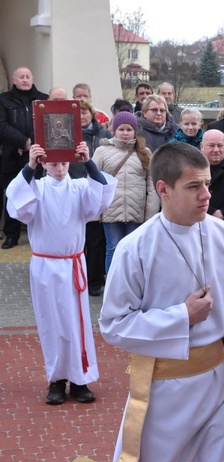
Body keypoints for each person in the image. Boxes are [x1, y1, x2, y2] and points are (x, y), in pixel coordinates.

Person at [99, 142, 224, 462]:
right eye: (194, 187)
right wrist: (181, 316)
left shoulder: (223, 235)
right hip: (164, 393)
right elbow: (114, 324)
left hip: (216, 385)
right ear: (163, 189)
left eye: (207, 184)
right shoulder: (135, 248)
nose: (206, 195)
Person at [6, 141, 116, 404]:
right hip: (45, 266)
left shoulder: (79, 188)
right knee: (51, 323)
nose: (59, 169)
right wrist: (30, 165)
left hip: (73, 263)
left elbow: (100, 196)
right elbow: (18, 204)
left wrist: (88, 161)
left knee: (76, 324)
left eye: (64, 163)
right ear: (45, 164)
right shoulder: (38, 188)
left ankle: (79, 379)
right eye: (53, 164)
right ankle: (56, 379)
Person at [93, 111, 159, 272]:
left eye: (129, 130)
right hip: (111, 210)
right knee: (113, 249)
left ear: (135, 131)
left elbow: (151, 184)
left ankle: (131, 288)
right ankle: (112, 288)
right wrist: (96, 211)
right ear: (114, 130)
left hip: (136, 210)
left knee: (133, 252)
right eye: (121, 129)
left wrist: (150, 213)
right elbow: (94, 182)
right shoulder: (102, 151)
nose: (125, 133)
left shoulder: (144, 153)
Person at [0, 67, 48, 249]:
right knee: (13, 193)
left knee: (37, 193)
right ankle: (11, 235)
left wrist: (31, 144)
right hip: (12, 156)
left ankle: (37, 233)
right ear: (14, 80)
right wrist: (22, 142)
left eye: (28, 76)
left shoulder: (43, 99)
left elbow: (47, 125)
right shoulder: (3, 100)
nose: (25, 80)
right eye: (21, 77)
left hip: (37, 155)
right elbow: (2, 126)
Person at [72, 100, 112, 297]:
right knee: (78, 239)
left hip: (95, 191)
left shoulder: (104, 135)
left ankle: (95, 281)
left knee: (96, 241)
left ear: (92, 113)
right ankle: (77, 278)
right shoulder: (67, 135)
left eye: (85, 112)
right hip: (73, 191)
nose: (81, 116)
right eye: (77, 113)